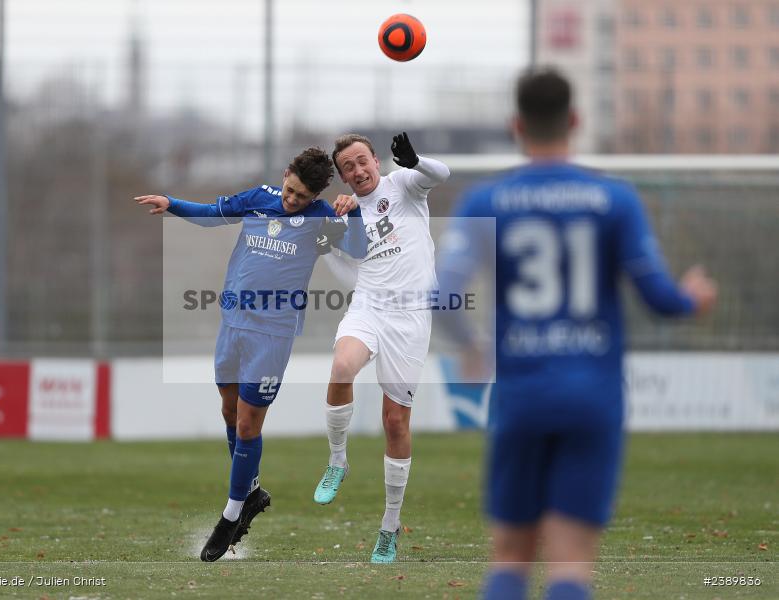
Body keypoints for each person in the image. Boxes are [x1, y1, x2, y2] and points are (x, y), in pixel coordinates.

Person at [435, 67, 718, 599]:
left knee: (511, 558)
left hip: (521, 397)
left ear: (516, 125)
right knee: (569, 564)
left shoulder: (485, 200)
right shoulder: (614, 199)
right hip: (593, 397)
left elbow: (442, 292)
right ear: (575, 120)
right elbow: (658, 297)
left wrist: (471, 348)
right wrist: (692, 299)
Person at [135, 147, 368, 562]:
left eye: (301, 197)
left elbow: (357, 248)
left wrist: (351, 213)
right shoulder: (258, 198)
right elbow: (210, 214)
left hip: (273, 334)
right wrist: (172, 205)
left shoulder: (319, 220)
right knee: (229, 411)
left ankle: (231, 515)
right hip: (232, 324)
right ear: (285, 175)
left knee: (247, 422)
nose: (292, 200)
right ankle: (253, 492)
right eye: (290, 190)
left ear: (314, 196)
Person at [312, 132, 451, 563]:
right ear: (343, 177)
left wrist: (415, 160)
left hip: (409, 317)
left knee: (395, 423)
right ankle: (338, 461)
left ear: (375, 160)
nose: (358, 170)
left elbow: (441, 175)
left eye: (362, 161)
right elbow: (341, 269)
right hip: (369, 306)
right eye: (348, 167)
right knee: (341, 369)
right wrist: (334, 233)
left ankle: (389, 528)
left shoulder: (403, 184)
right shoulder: (344, 213)